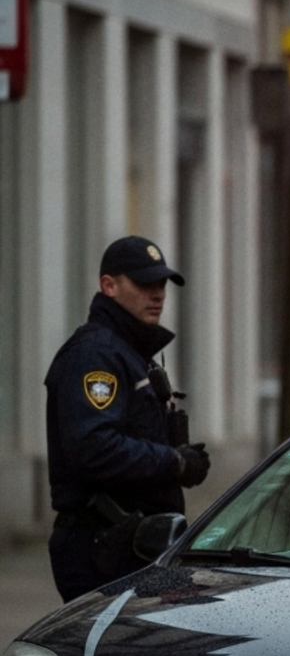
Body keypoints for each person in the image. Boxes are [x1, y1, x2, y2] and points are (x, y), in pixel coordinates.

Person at [44, 236, 210, 602]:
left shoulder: (129, 353)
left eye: (161, 284)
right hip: (103, 549)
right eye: (144, 283)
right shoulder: (95, 355)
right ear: (110, 286)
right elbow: (94, 448)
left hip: (138, 548)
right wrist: (174, 461)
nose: (157, 294)